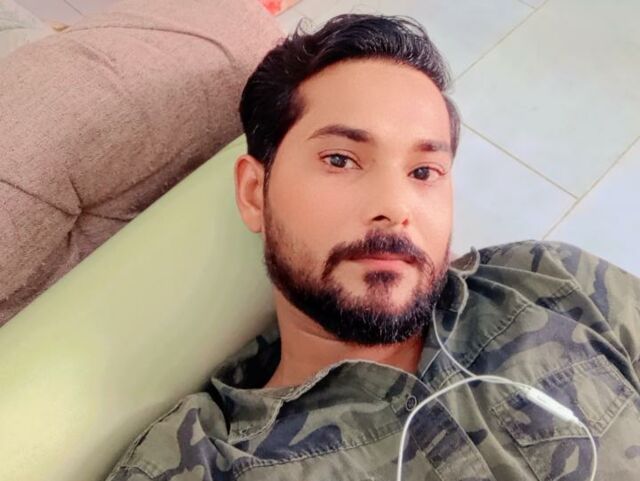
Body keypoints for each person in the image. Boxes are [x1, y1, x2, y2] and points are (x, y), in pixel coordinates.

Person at [106, 14, 640, 481]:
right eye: (340, 160)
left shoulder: (558, 282)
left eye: (424, 171)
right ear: (253, 193)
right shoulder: (196, 463)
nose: (395, 207)